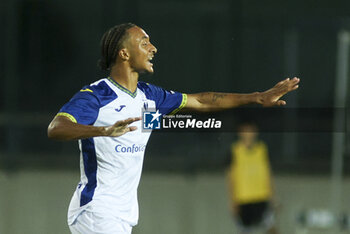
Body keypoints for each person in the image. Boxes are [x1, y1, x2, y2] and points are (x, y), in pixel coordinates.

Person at [47, 22, 299, 234]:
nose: (153, 48)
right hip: (95, 210)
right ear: (124, 53)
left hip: (122, 215)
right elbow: (56, 127)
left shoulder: (150, 96)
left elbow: (200, 100)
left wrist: (257, 97)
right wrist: (102, 131)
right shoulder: (97, 95)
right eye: (144, 43)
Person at [227, 122, 279, 234]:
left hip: (261, 196)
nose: (249, 134)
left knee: (271, 227)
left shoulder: (262, 149)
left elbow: (268, 173)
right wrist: (233, 200)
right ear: (240, 132)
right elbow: (231, 177)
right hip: (243, 199)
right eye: (246, 130)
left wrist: (272, 196)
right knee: (245, 230)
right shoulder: (235, 151)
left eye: (251, 130)